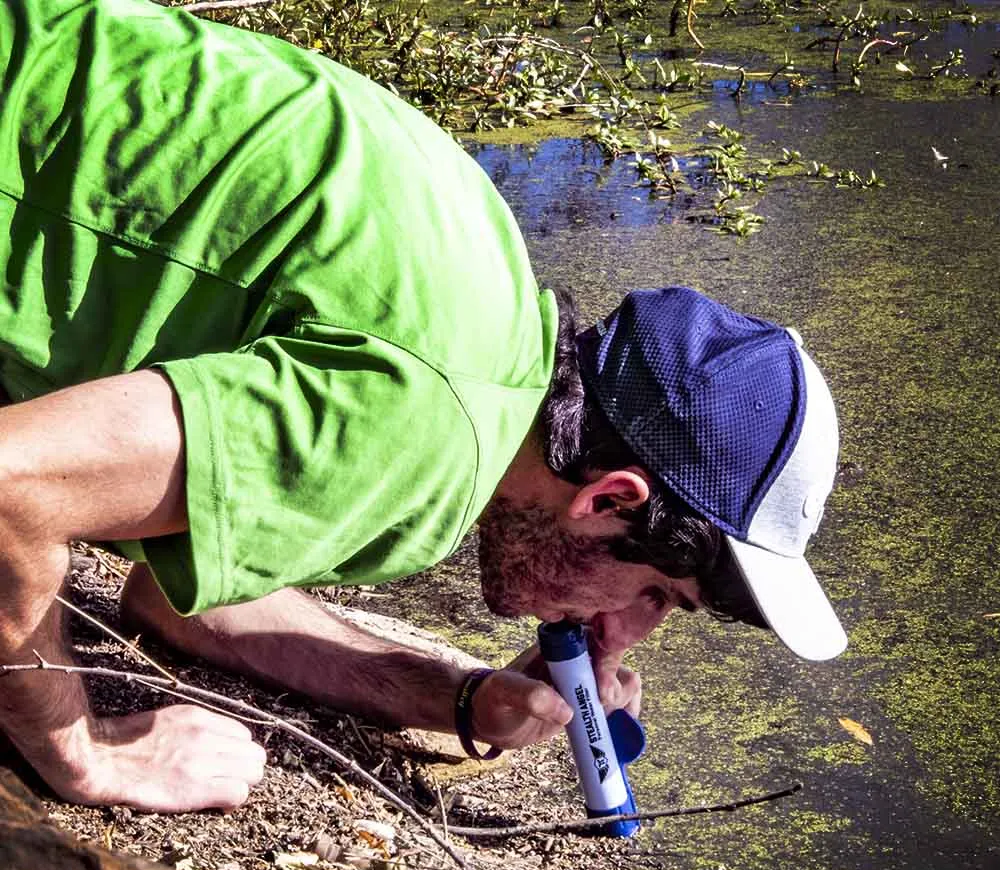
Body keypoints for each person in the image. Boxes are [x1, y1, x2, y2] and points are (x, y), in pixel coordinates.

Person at [0, 0, 846, 814]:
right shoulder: (418, 431)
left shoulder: (488, 300)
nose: (624, 637)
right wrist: (87, 754)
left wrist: (464, 700)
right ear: (610, 498)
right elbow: (11, 487)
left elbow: (170, 594)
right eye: (660, 595)